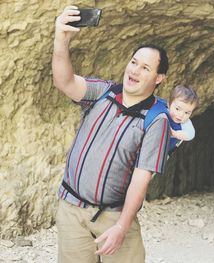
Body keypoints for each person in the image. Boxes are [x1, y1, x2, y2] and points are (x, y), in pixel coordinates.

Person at [52, 6, 170, 263]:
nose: (135, 71)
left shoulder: (156, 120)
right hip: (72, 210)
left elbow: (141, 179)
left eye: (145, 68)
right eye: (133, 62)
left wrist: (121, 227)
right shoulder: (102, 92)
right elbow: (65, 82)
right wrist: (61, 39)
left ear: (159, 78)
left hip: (114, 217)